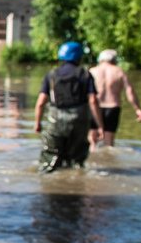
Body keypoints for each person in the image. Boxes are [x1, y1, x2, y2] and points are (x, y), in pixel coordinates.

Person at [34, 41, 104, 172]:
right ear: (79, 57)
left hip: (55, 121)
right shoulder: (85, 74)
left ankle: (49, 185)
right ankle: (77, 184)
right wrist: (100, 126)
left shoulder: (51, 75)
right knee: (77, 159)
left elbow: (41, 102)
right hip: (80, 120)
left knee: (50, 157)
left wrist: (37, 123)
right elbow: (93, 100)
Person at [88, 49, 141, 149]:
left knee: (93, 141)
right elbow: (129, 91)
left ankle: (93, 160)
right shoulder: (119, 71)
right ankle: (109, 162)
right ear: (114, 60)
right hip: (112, 107)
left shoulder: (92, 71)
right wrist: (137, 109)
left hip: (94, 107)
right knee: (109, 143)